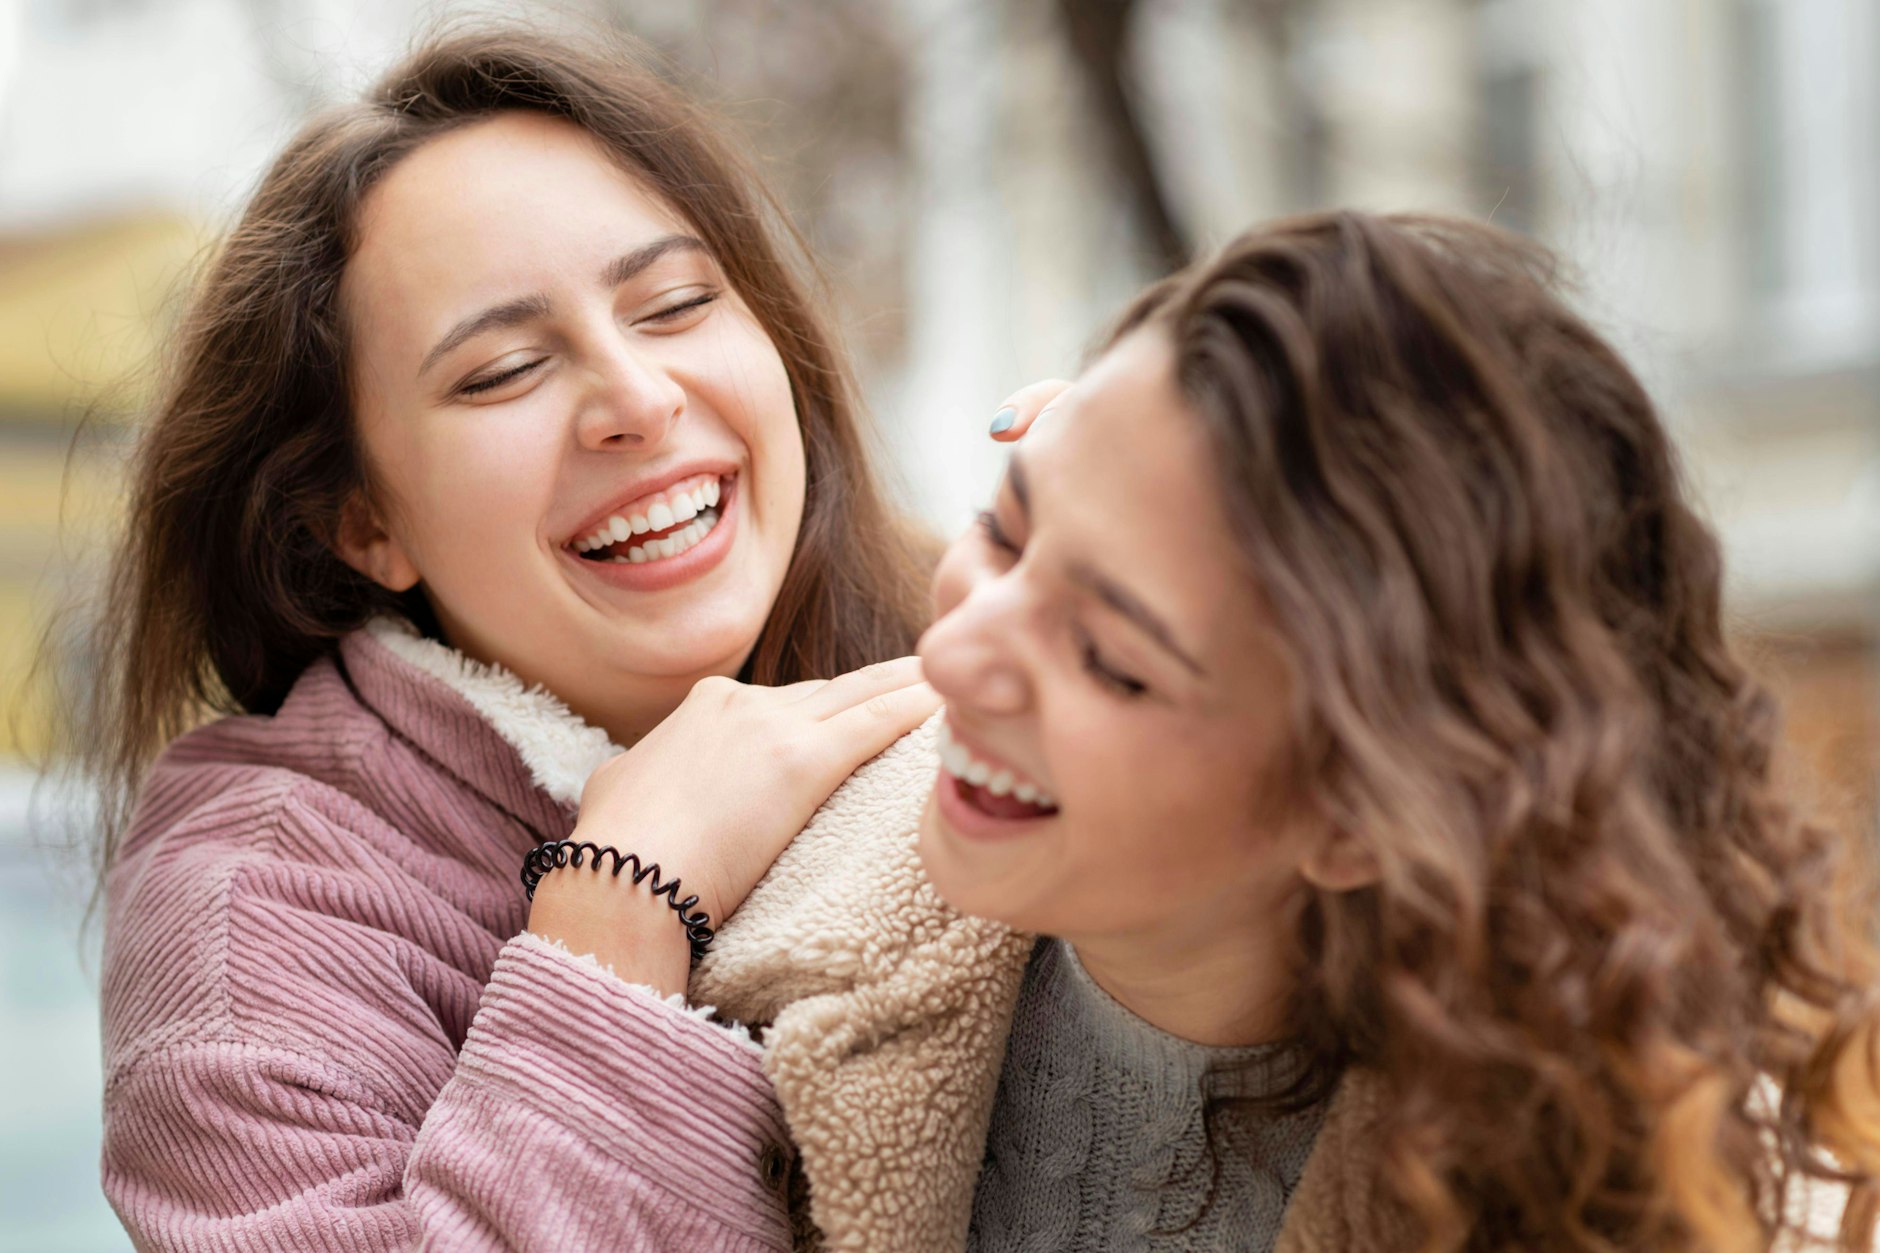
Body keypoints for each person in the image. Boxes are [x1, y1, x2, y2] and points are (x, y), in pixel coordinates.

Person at [83, 23, 1012, 1249]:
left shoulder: (986, 663)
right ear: (362, 521)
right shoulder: (251, 913)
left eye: (675, 302)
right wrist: (617, 924)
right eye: (505, 369)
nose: (636, 399)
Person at [913, 211, 1880, 1251]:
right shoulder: (742, 914)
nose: (947, 655)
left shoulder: (1673, 1208)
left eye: (1109, 657)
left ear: (1357, 813)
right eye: (1004, 534)